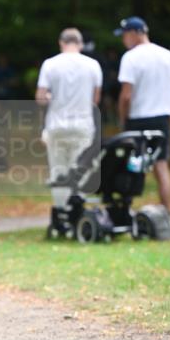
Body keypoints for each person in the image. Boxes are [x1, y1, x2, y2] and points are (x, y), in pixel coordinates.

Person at [35, 28, 102, 225]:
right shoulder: (93, 65)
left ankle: (60, 214)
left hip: (56, 126)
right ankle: (77, 214)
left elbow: (40, 98)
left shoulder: (50, 64)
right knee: (79, 171)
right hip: (82, 125)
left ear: (61, 43)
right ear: (80, 44)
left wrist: (50, 98)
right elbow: (95, 100)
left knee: (58, 170)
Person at [116, 16, 170, 215]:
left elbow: (126, 95)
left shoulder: (131, 57)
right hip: (161, 118)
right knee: (161, 165)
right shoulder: (167, 56)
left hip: (138, 118)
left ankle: (125, 210)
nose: (123, 40)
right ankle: (169, 213)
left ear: (135, 33)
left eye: (124, 35)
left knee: (130, 165)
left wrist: (123, 119)